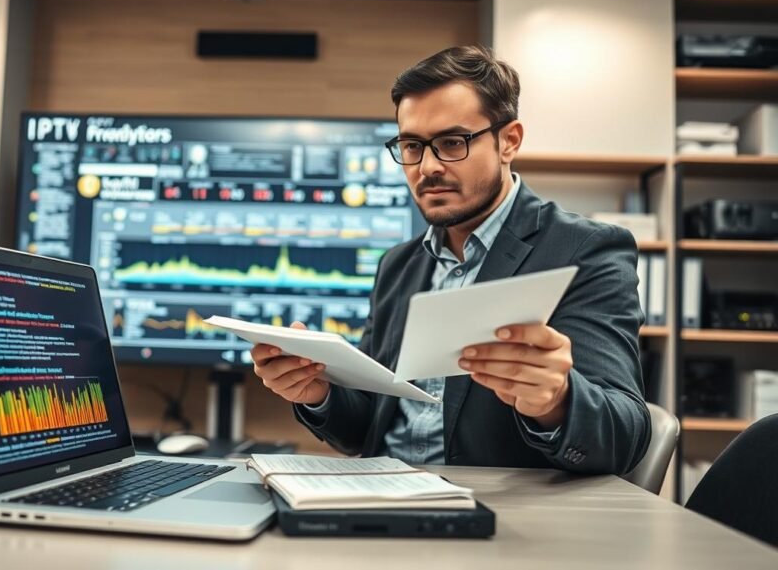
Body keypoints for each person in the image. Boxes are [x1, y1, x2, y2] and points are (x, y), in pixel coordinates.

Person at [251, 45, 650, 474]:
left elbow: (625, 437)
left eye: (451, 143)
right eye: (411, 146)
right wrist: (317, 392)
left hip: (501, 520)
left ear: (509, 141)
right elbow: (366, 428)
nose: (427, 167)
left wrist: (557, 401)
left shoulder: (583, 250)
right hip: (382, 499)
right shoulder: (399, 265)